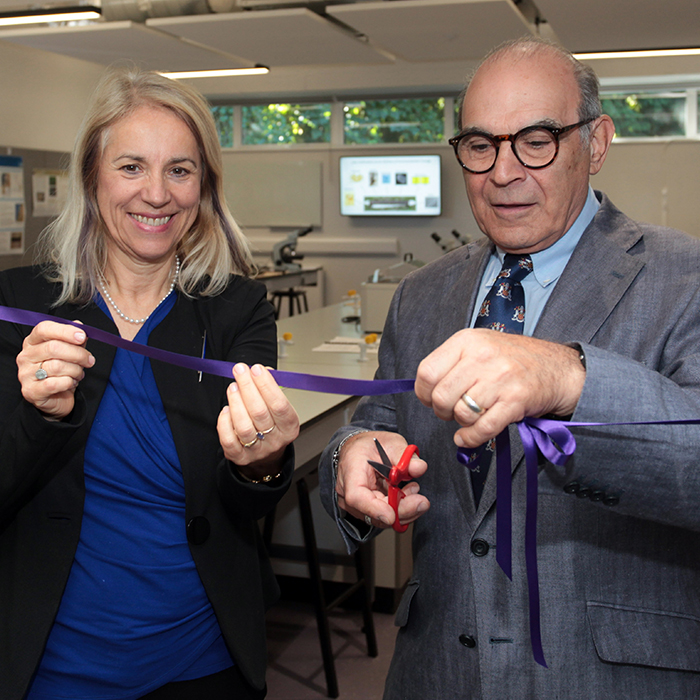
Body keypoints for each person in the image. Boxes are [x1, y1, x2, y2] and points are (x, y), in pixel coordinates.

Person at [319, 36, 700, 699]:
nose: (503, 171)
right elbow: (379, 421)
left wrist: (569, 380)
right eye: (480, 145)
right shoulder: (422, 295)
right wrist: (354, 455)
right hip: (439, 671)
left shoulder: (683, 276)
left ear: (597, 143)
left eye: (537, 140)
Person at [0, 67, 300, 700]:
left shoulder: (237, 309)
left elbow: (245, 505)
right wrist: (39, 416)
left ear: (205, 186)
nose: (157, 194)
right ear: (91, 176)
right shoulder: (22, 308)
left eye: (180, 170)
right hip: (55, 667)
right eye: (132, 167)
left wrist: (262, 463)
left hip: (202, 659)